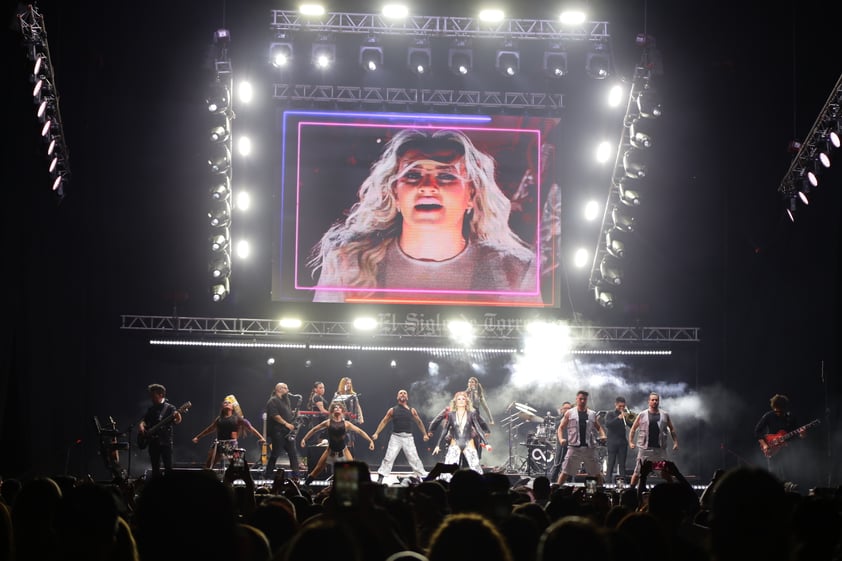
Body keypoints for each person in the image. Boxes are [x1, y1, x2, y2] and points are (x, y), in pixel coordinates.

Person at [309, 128, 541, 303]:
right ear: (395, 193)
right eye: (413, 175)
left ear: (472, 195)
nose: (428, 186)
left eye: (446, 176)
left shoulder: (516, 271)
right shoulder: (349, 262)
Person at [299, 401, 375, 485]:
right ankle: (304, 486)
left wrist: (370, 441)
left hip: (343, 450)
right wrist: (304, 439)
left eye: (339, 407)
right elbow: (314, 430)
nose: (337, 408)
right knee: (317, 469)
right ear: (332, 411)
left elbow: (360, 431)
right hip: (330, 450)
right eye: (335, 407)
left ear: (342, 411)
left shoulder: (346, 424)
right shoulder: (328, 422)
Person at [192, 395, 265, 469]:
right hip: (219, 445)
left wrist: (261, 437)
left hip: (232, 445)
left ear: (232, 407)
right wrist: (198, 437)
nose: (226, 403)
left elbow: (250, 428)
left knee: (237, 466)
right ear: (222, 407)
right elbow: (209, 429)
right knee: (208, 465)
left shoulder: (237, 418)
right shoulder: (219, 419)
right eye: (225, 402)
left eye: (229, 403)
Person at [373, 389, 430, 483]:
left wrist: (424, 434)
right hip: (396, 437)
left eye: (404, 393)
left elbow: (419, 422)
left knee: (414, 458)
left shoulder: (412, 410)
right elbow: (384, 422)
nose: (402, 394)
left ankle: (423, 476)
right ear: (397, 397)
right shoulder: (392, 410)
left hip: (408, 438)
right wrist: (376, 433)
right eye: (400, 393)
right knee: (389, 457)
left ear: (407, 397)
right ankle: (381, 476)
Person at [753, 393, 807, 486]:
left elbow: (797, 435)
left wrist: (802, 435)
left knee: (788, 476)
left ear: (785, 408)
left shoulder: (790, 418)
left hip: (787, 450)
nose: (778, 413)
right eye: (776, 411)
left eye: (780, 411)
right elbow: (757, 431)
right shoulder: (769, 416)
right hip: (772, 448)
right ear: (773, 407)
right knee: (773, 476)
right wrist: (765, 445)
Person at [431, 391, 490, 475]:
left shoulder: (472, 413)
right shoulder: (451, 414)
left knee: (475, 467)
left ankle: (478, 485)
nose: (461, 400)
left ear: (466, 401)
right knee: (448, 468)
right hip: (455, 442)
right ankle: (447, 486)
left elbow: (478, 428)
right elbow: (445, 429)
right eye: (459, 399)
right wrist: (437, 445)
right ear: (455, 402)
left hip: (469, 442)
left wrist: (486, 443)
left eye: (463, 399)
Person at [628, 392, 679, 486]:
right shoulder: (642, 414)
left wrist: (675, 442)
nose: (655, 402)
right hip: (645, 449)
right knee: (638, 471)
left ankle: (672, 490)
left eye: (656, 400)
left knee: (664, 471)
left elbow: (672, 429)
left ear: (659, 401)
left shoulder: (664, 414)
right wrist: (631, 442)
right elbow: (633, 429)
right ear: (649, 401)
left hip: (659, 449)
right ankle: (631, 490)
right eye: (653, 400)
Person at [556, 390, 606, 485]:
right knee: (565, 472)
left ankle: (601, 493)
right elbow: (560, 428)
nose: (582, 401)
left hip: (589, 448)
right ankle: (556, 491)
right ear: (576, 399)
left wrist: (603, 435)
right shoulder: (570, 413)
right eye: (580, 399)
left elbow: (599, 427)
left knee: (596, 473)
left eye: (584, 399)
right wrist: (561, 439)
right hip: (574, 447)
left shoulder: (592, 414)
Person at [139, 383, 182, 477]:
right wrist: (141, 426)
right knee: (155, 468)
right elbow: (144, 421)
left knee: (168, 468)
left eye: (153, 395)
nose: (151, 398)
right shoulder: (151, 409)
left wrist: (178, 417)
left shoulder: (170, 408)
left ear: (161, 395)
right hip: (153, 442)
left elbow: (177, 421)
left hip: (165, 442)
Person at [264, 382, 302, 480]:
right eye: (285, 388)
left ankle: (296, 476)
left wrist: (294, 414)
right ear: (279, 389)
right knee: (275, 454)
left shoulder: (285, 401)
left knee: (293, 453)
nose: (288, 390)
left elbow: (286, 413)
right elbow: (275, 416)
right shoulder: (273, 401)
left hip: (287, 432)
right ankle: (268, 476)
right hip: (278, 432)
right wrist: (286, 424)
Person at [603, 396, 634, 482]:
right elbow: (608, 424)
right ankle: (608, 482)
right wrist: (618, 418)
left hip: (622, 442)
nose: (622, 408)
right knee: (611, 464)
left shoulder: (625, 414)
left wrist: (630, 417)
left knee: (622, 465)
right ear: (616, 404)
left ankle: (622, 483)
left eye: (623, 406)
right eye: (620, 406)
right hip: (612, 442)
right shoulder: (610, 414)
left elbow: (632, 426)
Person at [332, 377, 365, 450]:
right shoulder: (337, 394)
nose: (349, 385)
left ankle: (351, 456)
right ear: (343, 384)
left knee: (351, 438)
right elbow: (333, 406)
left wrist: (361, 417)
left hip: (351, 419)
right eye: (347, 383)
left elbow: (358, 406)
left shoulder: (353, 395)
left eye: (350, 383)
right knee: (340, 438)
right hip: (340, 419)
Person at [548, 401, 572, 482]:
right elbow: (557, 427)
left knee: (570, 464)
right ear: (562, 410)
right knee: (558, 463)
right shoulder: (558, 418)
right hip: (561, 443)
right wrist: (564, 417)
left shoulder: (573, 418)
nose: (568, 410)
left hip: (571, 443)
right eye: (566, 408)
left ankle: (569, 483)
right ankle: (553, 481)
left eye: (569, 408)